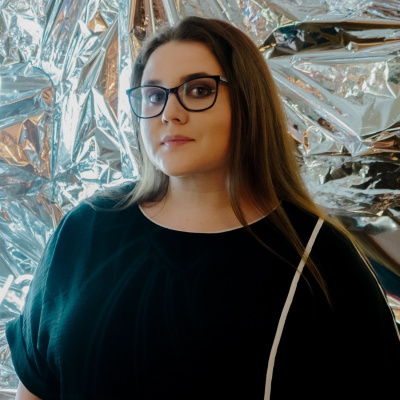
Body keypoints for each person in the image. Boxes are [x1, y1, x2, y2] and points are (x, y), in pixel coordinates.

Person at [6, 16, 400, 400]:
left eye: (198, 90)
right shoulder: (86, 230)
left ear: (248, 101)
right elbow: (36, 387)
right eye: (154, 95)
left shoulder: (320, 259)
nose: (169, 113)